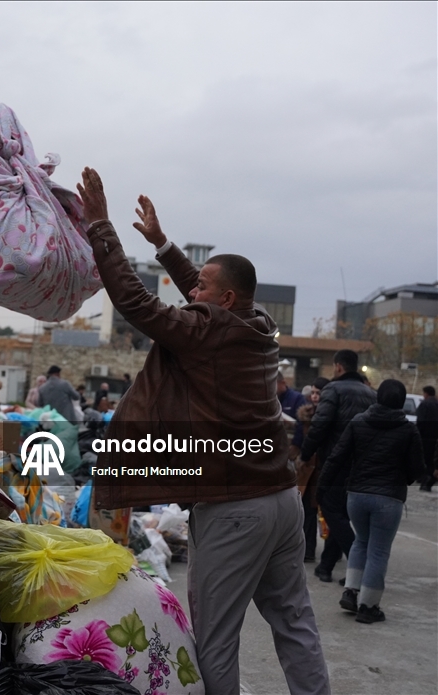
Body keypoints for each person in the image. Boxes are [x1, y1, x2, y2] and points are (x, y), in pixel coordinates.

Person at [77, 167, 328, 695]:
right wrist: (163, 244)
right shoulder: (257, 326)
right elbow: (207, 282)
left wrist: (101, 227)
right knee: (296, 626)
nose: (192, 292)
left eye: (203, 288)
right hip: (282, 502)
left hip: (235, 509)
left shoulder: (209, 329)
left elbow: (137, 304)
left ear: (225, 299)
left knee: (215, 639)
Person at [319, 379, 425, 624]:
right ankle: (369, 606)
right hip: (389, 497)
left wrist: (322, 487)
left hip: (356, 495)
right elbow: (417, 468)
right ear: (401, 403)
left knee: (360, 543)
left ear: (378, 398)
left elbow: (336, 457)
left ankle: (351, 591)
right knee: (378, 551)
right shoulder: (408, 429)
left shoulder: (358, 422)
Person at [298, 350, 376, 583]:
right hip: (361, 463)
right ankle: (326, 566)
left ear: (339, 367)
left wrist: (306, 453)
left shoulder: (333, 390)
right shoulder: (370, 394)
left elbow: (320, 426)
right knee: (341, 513)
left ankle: (358, 560)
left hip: (335, 460)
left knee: (330, 509)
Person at [292, 377, 331, 563]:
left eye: (318, 393)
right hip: (308, 470)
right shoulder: (305, 415)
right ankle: (307, 550)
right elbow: (300, 441)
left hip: (326, 468)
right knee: (307, 512)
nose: (315, 397)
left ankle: (332, 551)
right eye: (313, 393)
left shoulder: (331, 415)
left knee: (328, 513)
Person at [416, 385, 438, 491]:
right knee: (432, 461)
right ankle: (428, 480)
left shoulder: (425, 404)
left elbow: (420, 421)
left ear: (426, 394)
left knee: (424, 459)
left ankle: (424, 480)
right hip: (435, 437)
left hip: (424, 437)